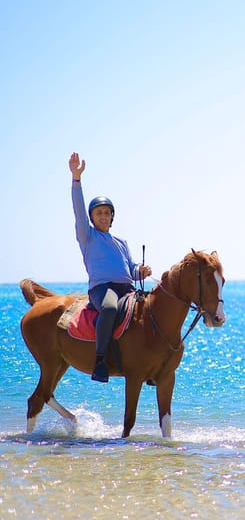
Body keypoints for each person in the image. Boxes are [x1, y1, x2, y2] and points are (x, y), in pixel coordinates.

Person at [69, 152, 151, 383]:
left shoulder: (121, 242)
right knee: (109, 308)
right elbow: (78, 210)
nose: (103, 216)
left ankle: (151, 364)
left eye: (107, 213)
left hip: (127, 289)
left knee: (152, 308)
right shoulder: (87, 236)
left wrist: (141, 271)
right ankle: (100, 361)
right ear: (92, 217)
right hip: (103, 289)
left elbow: (131, 269)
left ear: (112, 216)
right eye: (99, 213)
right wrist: (76, 179)